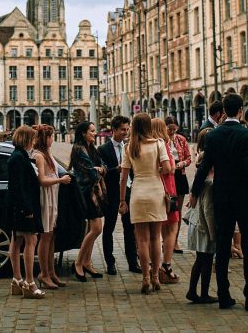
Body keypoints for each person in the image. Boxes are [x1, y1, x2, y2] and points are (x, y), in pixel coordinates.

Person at [189, 92, 248, 311]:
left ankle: (224, 296)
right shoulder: (247, 135)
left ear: (223, 111)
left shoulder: (213, 136)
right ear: (240, 110)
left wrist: (194, 193)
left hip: (222, 196)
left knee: (222, 246)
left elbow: (203, 168)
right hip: (244, 197)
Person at [119, 112, 172, 294]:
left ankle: (145, 278)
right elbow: (167, 169)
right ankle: (156, 277)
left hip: (138, 192)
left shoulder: (129, 146)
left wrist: (121, 200)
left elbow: (123, 177)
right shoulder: (158, 144)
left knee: (140, 239)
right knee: (156, 237)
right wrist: (155, 168)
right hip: (156, 190)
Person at [5, 125, 44, 299]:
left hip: (19, 205)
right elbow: (18, 187)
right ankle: (29, 283)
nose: (35, 142)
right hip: (23, 206)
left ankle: (17, 280)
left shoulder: (19, 156)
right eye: (33, 138)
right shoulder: (18, 158)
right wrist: (26, 208)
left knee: (17, 239)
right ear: (26, 139)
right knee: (31, 239)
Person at [31, 124, 71, 289]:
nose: (52, 139)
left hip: (52, 196)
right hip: (45, 197)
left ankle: (52, 272)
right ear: (44, 138)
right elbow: (42, 180)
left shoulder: (47, 153)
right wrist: (60, 180)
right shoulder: (38, 155)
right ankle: (43, 273)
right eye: (51, 136)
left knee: (51, 235)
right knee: (45, 236)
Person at [97, 115, 139, 275]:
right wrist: (117, 169)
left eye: (127, 129)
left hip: (128, 190)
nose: (125, 133)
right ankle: (110, 262)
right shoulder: (103, 149)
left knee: (130, 228)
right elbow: (103, 172)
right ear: (113, 130)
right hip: (113, 192)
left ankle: (132, 262)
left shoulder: (129, 147)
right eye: (122, 130)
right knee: (109, 227)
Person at [69, 121, 107, 281]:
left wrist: (100, 169)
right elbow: (91, 173)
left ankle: (86, 262)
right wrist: (98, 170)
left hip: (95, 192)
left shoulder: (92, 148)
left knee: (92, 229)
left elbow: (102, 165)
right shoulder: (78, 149)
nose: (95, 132)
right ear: (83, 133)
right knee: (96, 228)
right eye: (91, 131)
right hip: (86, 193)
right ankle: (78, 263)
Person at [185, 127, 216, 304]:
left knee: (203, 258)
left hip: (199, 221)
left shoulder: (202, 162)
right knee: (205, 258)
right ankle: (200, 292)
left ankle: (195, 291)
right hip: (203, 223)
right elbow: (207, 208)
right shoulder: (206, 167)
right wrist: (213, 231)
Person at [155, 118, 181, 284]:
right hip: (168, 190)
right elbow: (170, 169)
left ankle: (155, 267)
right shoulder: (163, 145)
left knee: (157, 230)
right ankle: (166, 265)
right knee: (171, 227)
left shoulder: (143, 145)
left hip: (155, 190)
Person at [166, 117, 192, 256]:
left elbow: (188, 157)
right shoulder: (161, 140)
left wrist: (183, 163)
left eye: (174, 128)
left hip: (179, 175)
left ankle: (174, 240)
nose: (171, 131)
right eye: (169, 128)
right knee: (166, 208)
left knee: (177, 210)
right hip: (167, 175)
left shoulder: (181, 139)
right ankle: (165, 239)